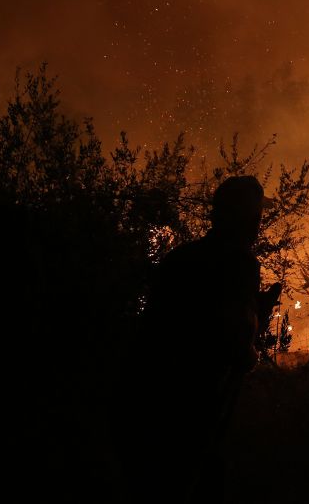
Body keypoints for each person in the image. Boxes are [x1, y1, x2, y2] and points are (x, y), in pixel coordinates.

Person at [119, 175, 280, 502]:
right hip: (198, 389)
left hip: (151, 384)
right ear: (247, 218)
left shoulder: (182, 257)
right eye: (256, 216)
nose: (259, 222)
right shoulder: (240, 263)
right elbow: (233, 341)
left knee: (159, 473)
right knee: (197, 472)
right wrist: (256, 328)